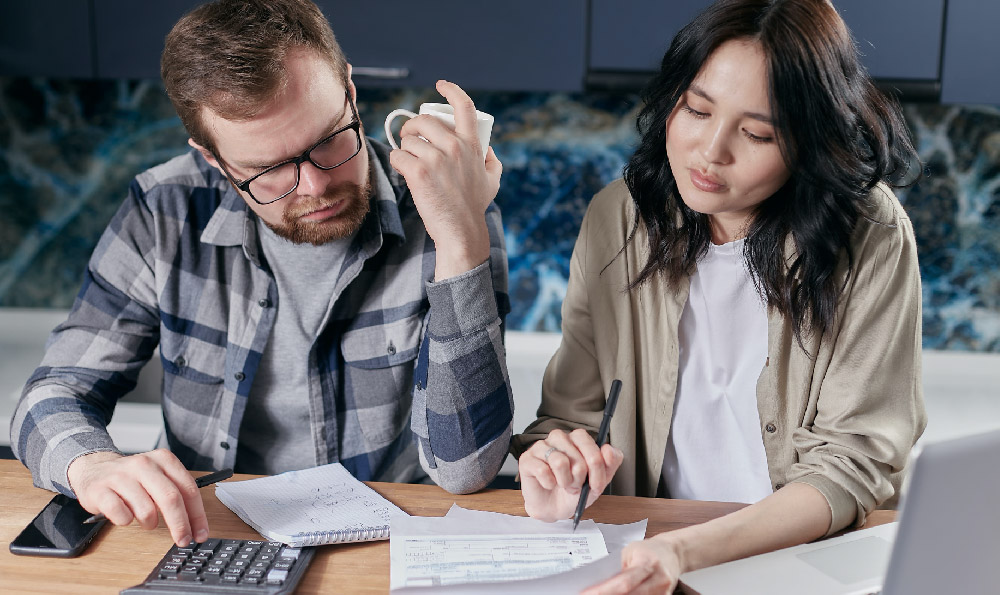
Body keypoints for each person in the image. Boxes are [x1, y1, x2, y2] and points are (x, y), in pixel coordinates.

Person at [11, 0, 513, 549]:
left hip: (383, 543)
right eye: (268, 171)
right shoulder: (163, 210)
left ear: (349, 90)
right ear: (213, 159)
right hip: (209, 538)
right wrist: (92, 466)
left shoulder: (449, 206)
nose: (315, 187)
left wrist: (461, 241)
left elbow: (465, 469)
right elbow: (55, 392)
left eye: (328, 140)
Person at [511, 0, 926, 592]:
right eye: (697, 110)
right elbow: (572, 418)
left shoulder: (871, 235)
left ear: (809, 141)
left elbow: (852, 466)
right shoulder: (618, 219)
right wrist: (559, 467)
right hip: (650, 559)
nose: (710, 152)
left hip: (799, 564)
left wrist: (684, 551)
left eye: (756, 133)